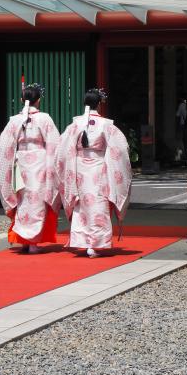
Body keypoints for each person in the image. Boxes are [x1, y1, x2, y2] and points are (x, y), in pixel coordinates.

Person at [56, 88, 132, 258]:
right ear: (99, 104)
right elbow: (121, 148)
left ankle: (82, 241)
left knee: (81, 204)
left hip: (79, 169)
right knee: (98, 203)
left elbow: (61, 148)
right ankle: (96, 244)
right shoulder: (106, 124)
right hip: (98, 168)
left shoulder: (75, 124)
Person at [0, 83, 60, 252]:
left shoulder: (14, 120)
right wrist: (53, 167)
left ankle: (25, 240)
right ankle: (33, 242)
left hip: (19, 162)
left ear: (22, 100)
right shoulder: (44, 118)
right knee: (36, 200)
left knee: (22, 200)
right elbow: (54, 144)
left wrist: (7, 167)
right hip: (40, 161)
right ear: (39, 100)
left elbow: (4, 148)